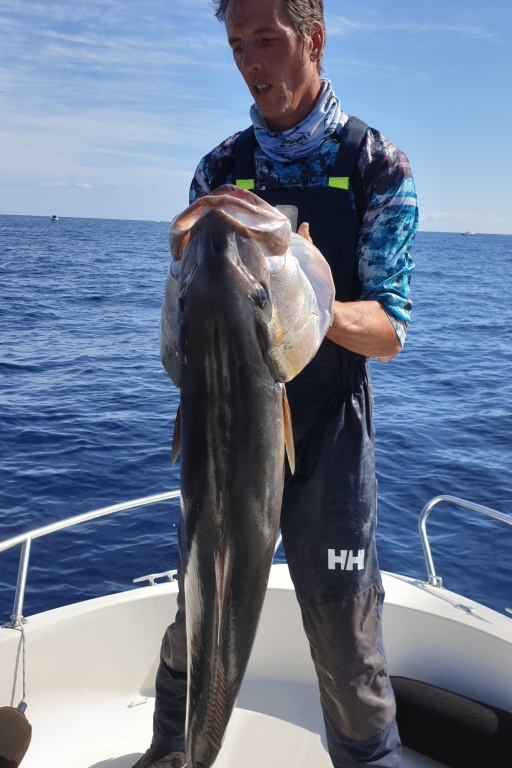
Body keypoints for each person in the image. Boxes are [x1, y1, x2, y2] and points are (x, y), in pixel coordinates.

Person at [134, 1, 418, 766]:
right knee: (197, 619)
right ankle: (173, 752)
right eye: (236, 44)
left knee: (347, 645)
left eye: (267, 39)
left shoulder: (376, 166)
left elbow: (390, 330)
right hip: (222, 429)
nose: (249, 61)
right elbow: (195, 305)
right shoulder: (218, 170)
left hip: (327, 437)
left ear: (313, 38)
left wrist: (303, 299)